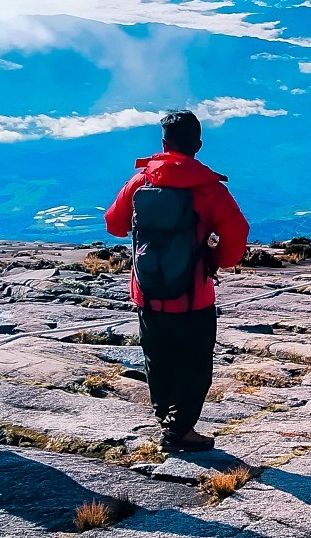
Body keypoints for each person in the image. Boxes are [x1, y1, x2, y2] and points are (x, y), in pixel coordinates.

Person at [105, 110, 249, 452]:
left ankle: (166, 423)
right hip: (194, 295)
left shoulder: (140, 181)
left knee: (158, 359)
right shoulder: (208, 188)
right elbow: (237, 233)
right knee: (194, 362)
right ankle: (180, 430)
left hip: (147, 293)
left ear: (164, 143)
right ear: (198, 144)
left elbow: (113, 224)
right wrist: (217, 260)